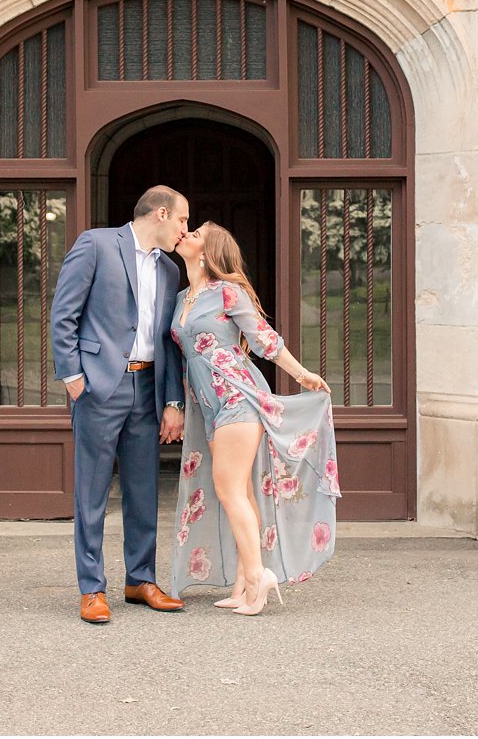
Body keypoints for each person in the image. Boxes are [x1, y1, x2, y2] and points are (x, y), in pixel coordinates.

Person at [167, 221, 341, 615]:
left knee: (229, 490)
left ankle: (260, 575)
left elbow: (264, 340)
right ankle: (244, 583)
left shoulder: (228, 291)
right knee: (240, 491)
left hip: (236, 396)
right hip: (207, 404)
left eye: (195, 234)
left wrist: (302, 374)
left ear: (210, 252)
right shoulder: (182, 298)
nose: (187, 234)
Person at [50, 185, 191, 625]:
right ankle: (92, 588)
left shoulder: (170, 270)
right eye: (184, 220)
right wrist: (74, 379)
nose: (185, 230)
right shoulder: (96, 244)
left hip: (148, 387)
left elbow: (169, 343)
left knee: (143, 489)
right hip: (99, 387)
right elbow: (64, 314)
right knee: (91, 491)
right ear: (162, 213)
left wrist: (173, 400)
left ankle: (140, 579)